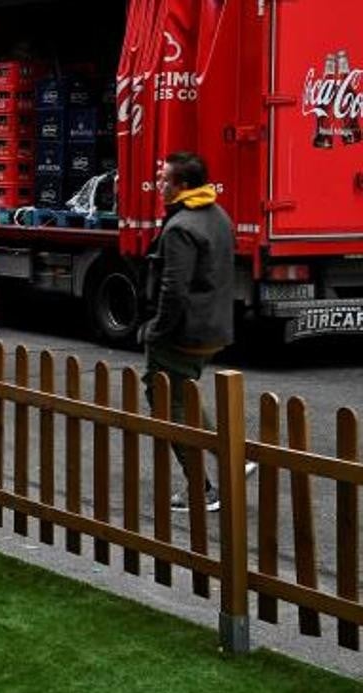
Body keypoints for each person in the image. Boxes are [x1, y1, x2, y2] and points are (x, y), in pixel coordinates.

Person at [139, 151, 254, 512]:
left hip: (183, 333)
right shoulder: (219, 216)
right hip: (213, 327)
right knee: (184, 395)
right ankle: (233, 456)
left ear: (182, 186)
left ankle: (202, 489)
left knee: (166, 401)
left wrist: (155, 330)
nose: (159, 186)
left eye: (165, 180)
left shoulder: (180, 228)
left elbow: (174, 289)